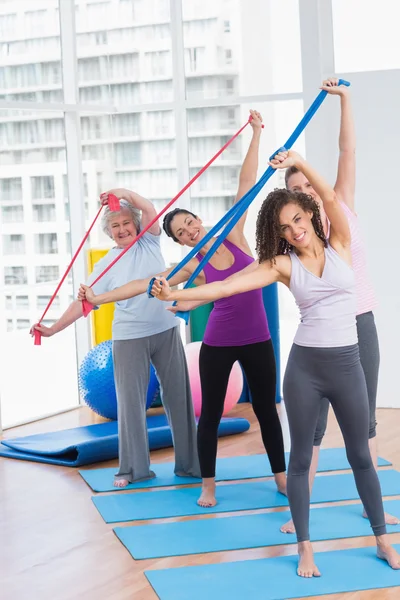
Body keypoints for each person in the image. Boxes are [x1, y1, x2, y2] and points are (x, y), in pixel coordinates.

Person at [149, 149, 400, 577]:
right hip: (305, 369)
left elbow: (332, 197)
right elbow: (227, 287)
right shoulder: (282, 264)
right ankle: (305, 547)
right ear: (278, 233)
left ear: (309, 213)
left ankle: (382, 540)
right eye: (284, 227)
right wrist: (176, 296)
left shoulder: (339, 242)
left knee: (361, 454)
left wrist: (300, 160)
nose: (295, 230)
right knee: (300, 459)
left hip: (347, 365)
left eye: (298, 220)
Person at [78, 110, 287, 507]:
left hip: (258, 338)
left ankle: (279, 477)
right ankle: (207, 484)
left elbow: (248, 184)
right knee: (207, 414)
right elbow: (146, 285)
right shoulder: (191, 266)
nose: (189, 230)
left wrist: (257, 133)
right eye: (180, 232)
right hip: (219, 342)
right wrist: (99, 298)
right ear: (178, 241)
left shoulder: (235, 234)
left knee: (266, 409)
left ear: (199, 219)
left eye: (190, 222)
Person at [280, 77, 398, 532]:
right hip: (319, 339)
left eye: (308, 183)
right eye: (296, 188)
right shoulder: (298, 239)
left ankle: (374, 509)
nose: (305, 190)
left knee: (363, 427)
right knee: (311, 431)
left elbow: (347, 153)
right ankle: (300, 510)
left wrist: (345, 98)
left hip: (360, 325)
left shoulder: (342, 207)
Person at [31, 188, 200, 487]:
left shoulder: (149, 240)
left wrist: (121, 193)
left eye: (126, 222)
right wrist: (54, 328)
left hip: (165, 329)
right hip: (130, 336)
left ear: (135, 223)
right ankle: (134, 470)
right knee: (131, 405)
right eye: (115, 226)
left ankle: (190, 465)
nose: (122, 229)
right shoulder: (105, 264)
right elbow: (86, 302)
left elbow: (147, 206)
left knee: (179, 398)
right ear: (108, 232)